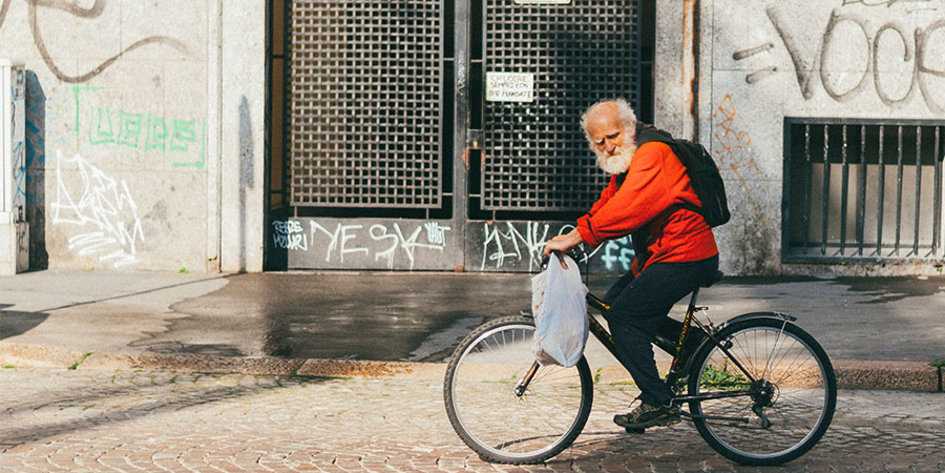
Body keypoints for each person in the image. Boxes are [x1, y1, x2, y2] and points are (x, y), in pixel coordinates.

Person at [543, 98, 720, 429]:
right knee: (613, 305)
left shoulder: (653, 154)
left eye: (612, 136)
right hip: (664, 254)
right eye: (600, 142)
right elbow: (610, 202)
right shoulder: (630, 159)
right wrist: (576, 233)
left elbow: (628, 209)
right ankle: (693, 344)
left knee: (625, 318)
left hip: (686, 254)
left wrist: (578, 237)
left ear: (628, 127)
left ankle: (659, 402)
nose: (608, 147)